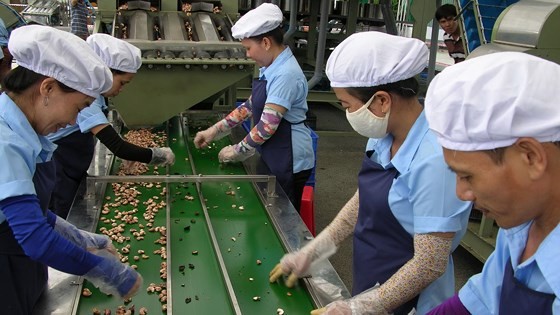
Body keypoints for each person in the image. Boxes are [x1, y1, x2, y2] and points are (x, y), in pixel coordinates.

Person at [269, 31, 472, 315]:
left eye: (347, 105)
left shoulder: (435, 160)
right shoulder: (383, 134)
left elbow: (429, 264)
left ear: (381, 101)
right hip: (373, 277)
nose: (348, 113)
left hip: (410, 301)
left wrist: (360, 308)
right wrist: (313, 252)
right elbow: (362, 201)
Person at [0, 25, 142, 314]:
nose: (74, 120)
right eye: (79, 108)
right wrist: (103, 270)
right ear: (48, 88)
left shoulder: (27, 134)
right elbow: (35, 237)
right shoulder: (5, 142)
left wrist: (78, 236)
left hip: (22, 272)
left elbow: (29, 211)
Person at [424, 52, 560, 314]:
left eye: (467, 176)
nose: (461, 193)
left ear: (530, 157)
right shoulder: (521, 225)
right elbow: (477, 302)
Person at [193, 3, 315, 212]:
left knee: (281, 216)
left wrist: (236, 151)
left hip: (288, 158)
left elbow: (267, 126)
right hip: (274, 151)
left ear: (266, 42)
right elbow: (250, 106)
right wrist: (215, 130)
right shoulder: (272, 67)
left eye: (249, 48)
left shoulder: (285, 74)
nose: (248, 54)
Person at [47, 33, 175, 219]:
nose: (121, 90)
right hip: (58, 168)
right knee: (60, 215)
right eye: (122, 83)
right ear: (104, 72)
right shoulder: (84, 97)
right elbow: (117, 146)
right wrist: (156, 155)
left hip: (71, 167)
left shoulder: (94, 96)